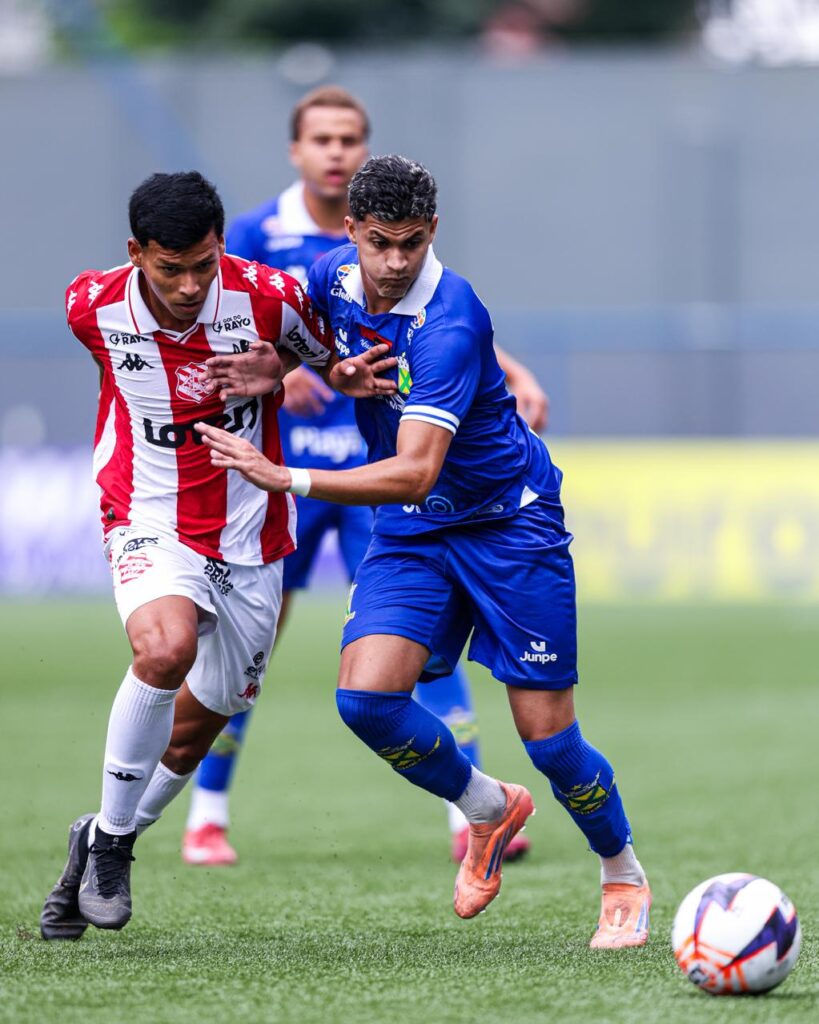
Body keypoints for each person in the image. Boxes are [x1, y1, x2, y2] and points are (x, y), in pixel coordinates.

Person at [197, 155, 652, 947]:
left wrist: (285, 476)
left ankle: (621, 872)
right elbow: (304, 348)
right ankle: (484, 805)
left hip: (509, 524)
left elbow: (414, 468)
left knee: (550, 742)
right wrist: (313, 368)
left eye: (411, 243)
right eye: (380, 242)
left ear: (432, 232)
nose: (395, 261)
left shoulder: (449, 322)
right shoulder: (331, 276)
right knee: (365, 700)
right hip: (417, 530)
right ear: (353, 233)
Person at [183, 85, 548, 867]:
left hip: (378, 469)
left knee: (414, 633)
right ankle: (207, 815)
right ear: (298, 152)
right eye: (322, 138)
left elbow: (442, 336)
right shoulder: (256, 235)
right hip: (284, 463)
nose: (336, 151)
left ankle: (468, 812)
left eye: (350, 138)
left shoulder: (398, 244)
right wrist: (280, 371)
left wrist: (512, 371)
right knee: (253, 642)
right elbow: (248, 338)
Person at [39, 170, 390, 939]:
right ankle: (116, 855)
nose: (192, 284)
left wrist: (293, 370)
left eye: (204, 263)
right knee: (161, 651)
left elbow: (336, 361)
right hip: (146, 512)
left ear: (221, 245)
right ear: (136, 253)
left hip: (251, 530)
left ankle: (103, 833)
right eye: (171, 268)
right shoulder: (90, 307)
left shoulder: (270, 297)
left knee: (205, 721)